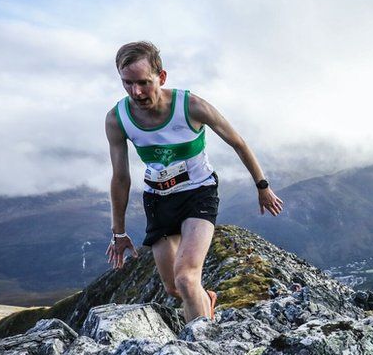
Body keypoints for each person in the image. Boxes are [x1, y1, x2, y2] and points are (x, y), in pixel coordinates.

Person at [104, 41, 283, 323]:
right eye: (127, 83)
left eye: (143, 82)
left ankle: (202, 351)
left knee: (187, 279)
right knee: (174, 288)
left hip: (198, 193)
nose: (136, 92)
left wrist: (263, 187)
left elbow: (238, 142)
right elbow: (121, 177)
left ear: (161, 78)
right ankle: (207, 300)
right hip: (158, 200)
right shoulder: (118, 119)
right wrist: (119, 232)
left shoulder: (191, 106)